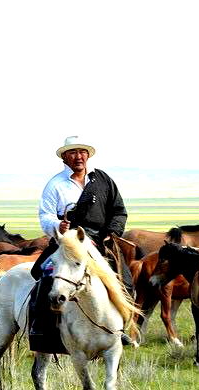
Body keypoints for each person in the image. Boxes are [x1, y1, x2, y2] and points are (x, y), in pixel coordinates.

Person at [29, 136, 135, 352]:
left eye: (82, 152)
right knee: (41, 273)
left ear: (87, 156)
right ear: (64, 158)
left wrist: (112, 231)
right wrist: (58, 225)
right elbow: (45, 216)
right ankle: (43, 330)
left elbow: (118, 210)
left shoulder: (102, 180)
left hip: (98, 240)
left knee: (126, 282)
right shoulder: (55, 184)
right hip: (67, 243)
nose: (78, 157)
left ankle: (121, 329)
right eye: (73, 153)